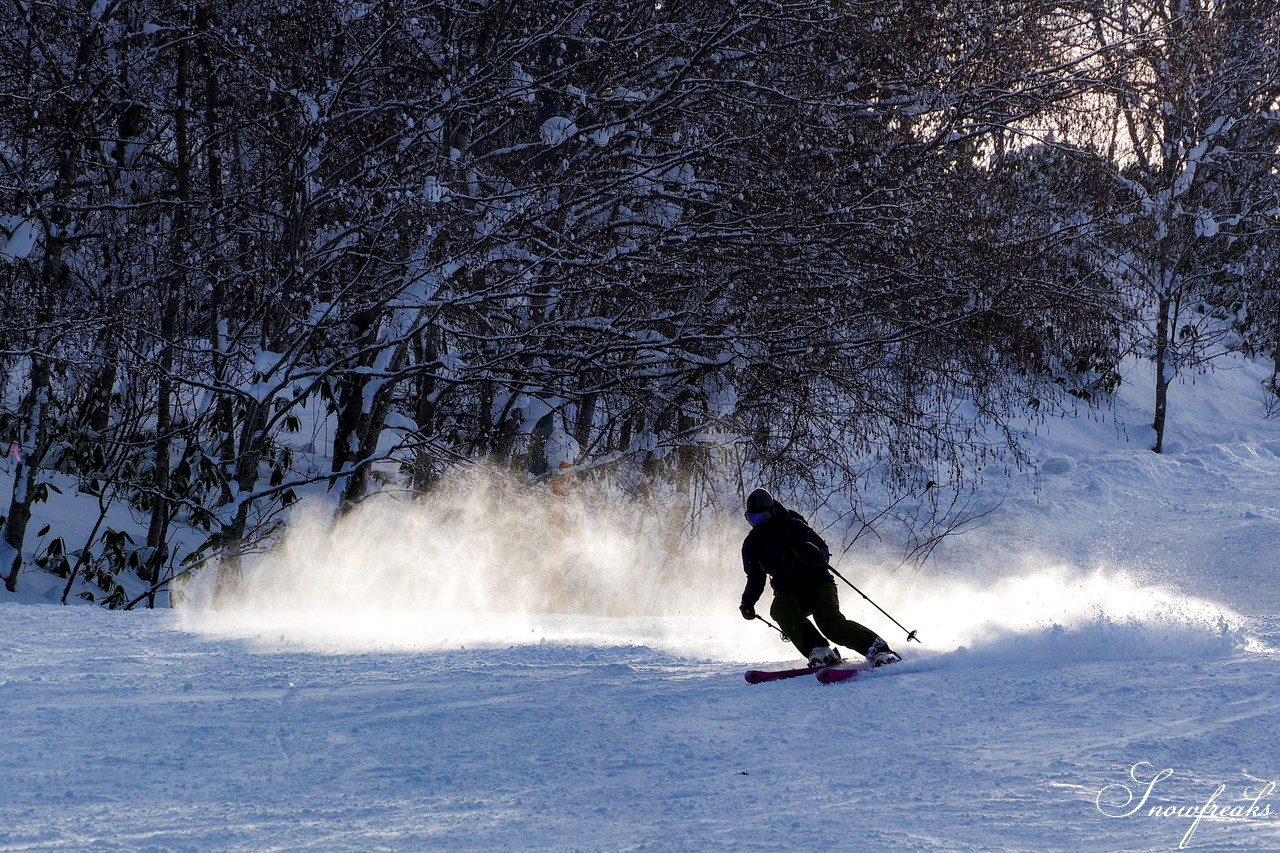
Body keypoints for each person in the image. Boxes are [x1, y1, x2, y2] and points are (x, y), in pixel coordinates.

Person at [738, 487, 901, 667]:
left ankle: (879, 650)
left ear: (772, 511)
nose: (758, 523)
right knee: (780, 609)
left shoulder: (793, 526)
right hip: (789, 591)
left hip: (818, 584)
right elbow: (755, 577)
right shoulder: (752, 544)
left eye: (762, 517)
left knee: (830, 623)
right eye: (752, 519)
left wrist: (816, 554)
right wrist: (748, 602)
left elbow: (822, 549)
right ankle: (819, 650)